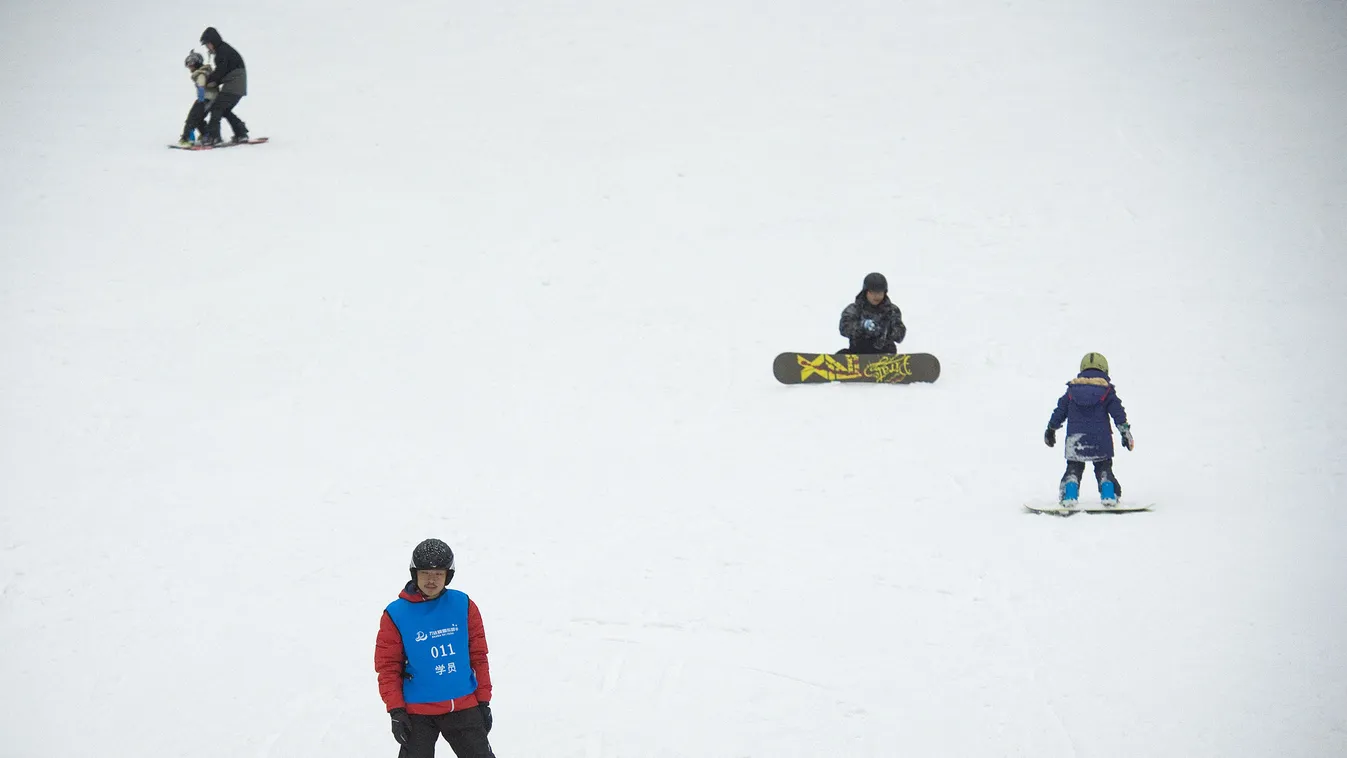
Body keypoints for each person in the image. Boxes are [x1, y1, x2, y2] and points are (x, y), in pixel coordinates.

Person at [375, 539, 495, 758]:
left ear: (448, 575)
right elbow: (388, 667)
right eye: (425, 573)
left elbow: (478, 657)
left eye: (438, 574)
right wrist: (396, 710)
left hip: (462, 706)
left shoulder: (464, 605)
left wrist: (483, 700)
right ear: (415, 574)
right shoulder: (395, 614)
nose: (432, 580)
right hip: (417, 712)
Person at [1044, 352, 1134, 506]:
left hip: (1075, 439)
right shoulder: (1107, 391)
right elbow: (1118, 413)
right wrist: (1125, 432)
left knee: (1074, 468)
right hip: (1101, 439)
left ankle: (1069, 494)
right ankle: (1108, 493)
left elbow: (1060, 411)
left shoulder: (1071, 391)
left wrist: (1051, 429)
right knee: (1104, 468)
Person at [198, 27, 249, 145]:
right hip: (238, 85)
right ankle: (241, 133)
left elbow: (221, 71)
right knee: (224, 110)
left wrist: (208, 81)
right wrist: (214, 81)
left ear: (213, 41)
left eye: (207, 44)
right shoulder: (224, 50)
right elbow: (223, 72)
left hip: (234, 84)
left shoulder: (222, 52)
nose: (207, 47)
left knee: (216, 108)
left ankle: (214, 137)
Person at [838, 272, 907, 354]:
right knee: (842, 354)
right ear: (866, 292)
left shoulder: (892, 311)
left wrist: (885, 330)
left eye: (880, 293)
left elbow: (900, 334)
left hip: (885, 356)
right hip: (859, 355)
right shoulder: (854, 309)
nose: (876, 296)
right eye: (873, 293)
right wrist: (862, 326)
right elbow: (844, 328)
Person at [177, 51, 217, 147]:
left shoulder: (201, 73)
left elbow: (201, 85)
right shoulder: (205, 71)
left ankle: (187, 139)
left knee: (192, 118)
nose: (189, 68)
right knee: (198, 118)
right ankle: (206, 134)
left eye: (190, 65)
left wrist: (201, 99)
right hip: (210, 99)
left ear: (196, 63)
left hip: (205, 99)